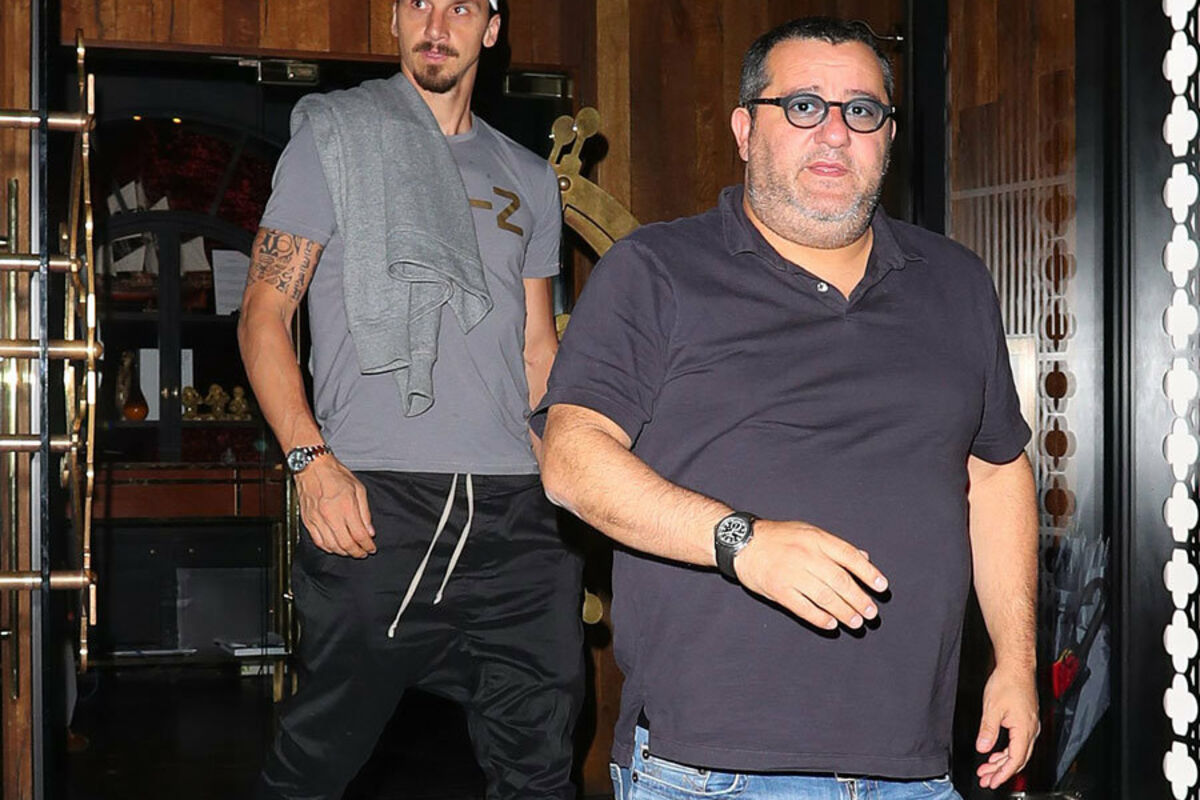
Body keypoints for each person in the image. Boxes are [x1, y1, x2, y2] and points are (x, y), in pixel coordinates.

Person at [535, 16, 1038, 800]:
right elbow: (570, 458)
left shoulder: (956, 282)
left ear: (887, 136)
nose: (834, 132)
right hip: (708, 772)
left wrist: (1016, 662)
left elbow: (997, 471)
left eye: (861, 110)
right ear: (744, 130)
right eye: (803, 106)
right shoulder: (657, 270)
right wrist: (742, 542)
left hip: (916, 768)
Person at [238, 1, 583, 797]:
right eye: (419, 2)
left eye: (459, 5)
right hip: (379, 504)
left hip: (521, 515)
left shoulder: (530, 176)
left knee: (540, 768)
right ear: (394, 20)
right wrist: (311, 462)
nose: (437, 23)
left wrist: (575, 476)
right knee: (317, 763)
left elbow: (537, 349)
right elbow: (263, 316)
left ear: (489, 29)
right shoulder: (336, 141)